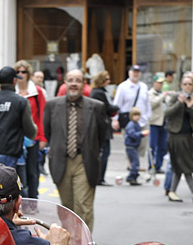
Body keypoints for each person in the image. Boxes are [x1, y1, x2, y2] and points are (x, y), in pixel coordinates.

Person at [42, 69, 109, 231]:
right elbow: (48, 131)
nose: (74, 83)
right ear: (64, 82)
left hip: (84, 162)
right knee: (67, 207)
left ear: (83, 84)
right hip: (61, 161)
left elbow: (102, 136)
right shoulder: (52, 105)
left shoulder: (96, 107)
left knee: (83, 206)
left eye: (78, 80)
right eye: (70, 79)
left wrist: (91, 152)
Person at [162, 75, 193, 203]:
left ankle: (172, 192)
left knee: (180, 166)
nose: (187, 87)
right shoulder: (175, 97)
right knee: (185, 164)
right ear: (181, 86)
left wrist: (189, 106)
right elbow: (167, 113)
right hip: (175, 135)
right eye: (185, 84)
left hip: (188, 136)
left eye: (190, 84)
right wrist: (179, 103)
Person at [14, 59, 47, 198]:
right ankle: (19, 201)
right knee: (17, 172)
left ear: (28, 73)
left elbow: (43, 115)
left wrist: (43, 137)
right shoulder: (12, 90)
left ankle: (33, 199)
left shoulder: (37, 91)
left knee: (32, 171)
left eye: (24, 71)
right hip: (15, 137)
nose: (21, 74)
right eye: (18, 72)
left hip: (33, 137)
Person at [113, 65, 150, 185]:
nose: (136, 74)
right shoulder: (123, 87)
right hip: (129, 122)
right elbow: (117, 104)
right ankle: (132, 167)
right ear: (129, 73)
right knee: (130, 145)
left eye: (138, 72)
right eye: (134, 72)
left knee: (141, 146)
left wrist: (147, 117)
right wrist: (115, 119)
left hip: (142, 121)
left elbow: (147, 104)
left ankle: (135, 165)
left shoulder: (143, 86)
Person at [89, 70, 118, 186]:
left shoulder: (97, 92)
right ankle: (99, 177)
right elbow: (106, 108)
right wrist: (116, 107)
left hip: (99, 126)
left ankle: (99, 177)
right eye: (107, 79)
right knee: (104, 153)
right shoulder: (99, 93)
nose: (109, 81)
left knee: (102, 152)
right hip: (101, 127)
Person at [148, 74, 169, 175]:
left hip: (163, 123)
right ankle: (151, 166)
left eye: (162, 83)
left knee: (162, 146)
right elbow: (152, 104)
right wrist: (162, 96)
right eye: (159, 83)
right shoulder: (150, 93)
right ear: (154, 83)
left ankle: (158, 166)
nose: (160, 85)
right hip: (154, 123)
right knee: (152, 146)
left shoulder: (163, 95)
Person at [123, 108, 144, 185]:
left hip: (133, 146)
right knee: (135, 162)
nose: (137, 117)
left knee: (135, 162)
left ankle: (134, 175)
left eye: (138, 115)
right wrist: (141, 133)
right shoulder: (131, 124)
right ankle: (131, 177)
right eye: (135, 115)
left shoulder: (136, 124)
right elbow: (132, 134)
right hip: (131, 146)